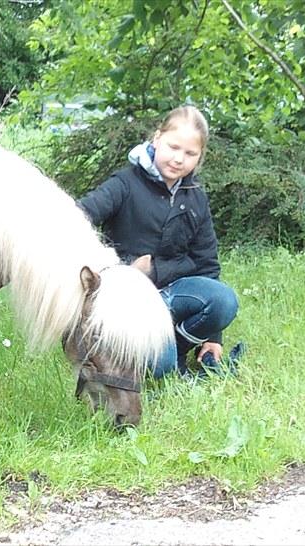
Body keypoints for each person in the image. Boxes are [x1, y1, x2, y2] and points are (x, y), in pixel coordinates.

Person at [77, 105, 240, 378]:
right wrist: (121, 271)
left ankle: (176, 345)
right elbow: (80, 216)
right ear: (157, 139)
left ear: (200, 156)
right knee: (160, 367)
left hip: (171, 294)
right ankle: (162, 353)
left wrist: (213, 337)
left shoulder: (196, 197)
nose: (179, 159)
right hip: (127, 298)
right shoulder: (125, 183)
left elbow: (208, 265)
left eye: (190, 154)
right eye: (173, 147)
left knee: (224, 301)